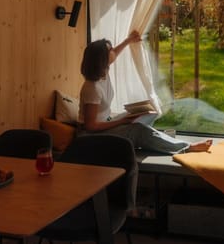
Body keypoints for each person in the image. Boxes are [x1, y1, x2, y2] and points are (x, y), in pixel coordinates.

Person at [78, 30, 212, 154]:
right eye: (110, 50)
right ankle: (186, 147)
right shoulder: (92, 88)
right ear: (102, 59)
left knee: (148, 113)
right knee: (138, 130)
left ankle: (157, 139)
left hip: (105, 126)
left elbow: (115, 54)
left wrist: (128, 40)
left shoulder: (103, 72)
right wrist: (122, 121)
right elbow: (90, 126)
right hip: (93, 138)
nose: (113, 51)